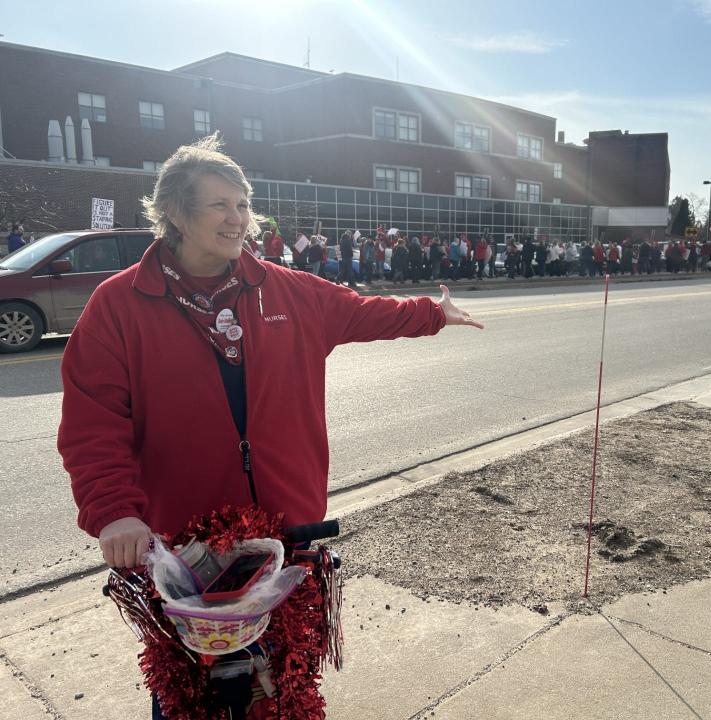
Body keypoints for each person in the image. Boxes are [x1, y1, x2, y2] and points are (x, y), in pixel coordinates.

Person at [56, 135, 482, 719]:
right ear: (175, 213)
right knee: (192, 694)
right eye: (220, 205)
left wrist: (434, 313)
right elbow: (92, 424)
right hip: (188, 547)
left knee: (284, 685)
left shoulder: (284, 289)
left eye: (243, 204)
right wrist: (113, 510)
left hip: (288, 533)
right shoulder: (118, 305)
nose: (239, 220)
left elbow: (361, 311)